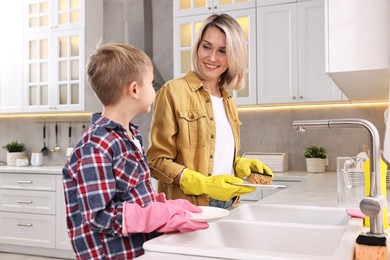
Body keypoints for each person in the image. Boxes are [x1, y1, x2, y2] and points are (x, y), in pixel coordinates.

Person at [62, 43, 208, 260]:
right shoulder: (95, 147)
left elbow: (136, 197)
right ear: (134, 89)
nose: (154, 89)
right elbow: (99, 216)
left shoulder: (130, 136)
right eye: (151, 83)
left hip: (140, 251)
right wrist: (157, 215)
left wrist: (166, 207)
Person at [147, 13, 274, 209]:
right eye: (206, 47)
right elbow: (157, 161)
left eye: (223, 51)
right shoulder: (172, 92)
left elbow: (215, 156)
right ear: (197, 47)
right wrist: (203, 184)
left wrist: (240, 166)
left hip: (230, 203)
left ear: (234, 55)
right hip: (190, 208)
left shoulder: (228, 101)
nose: (212, 57)